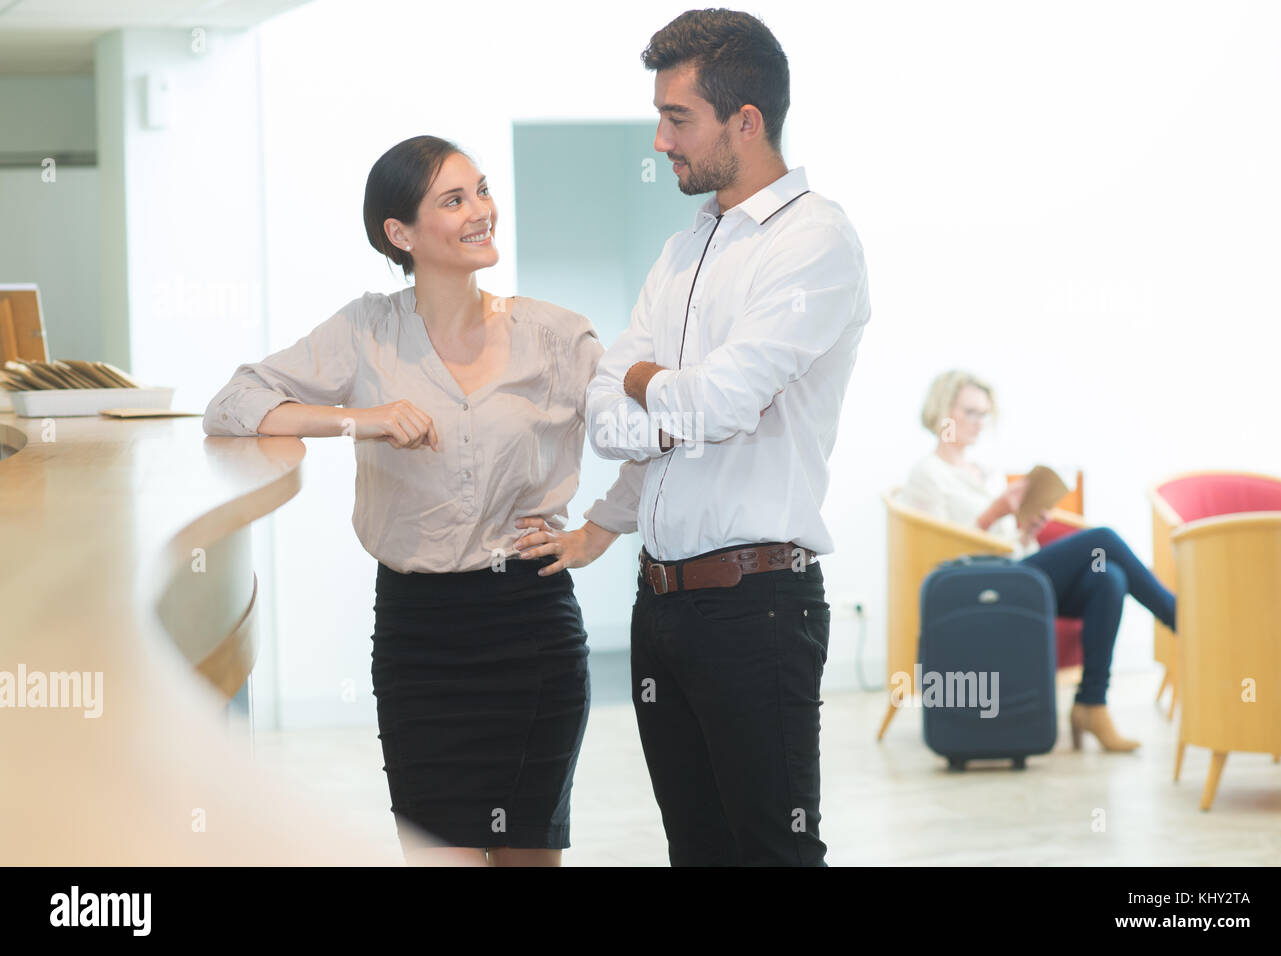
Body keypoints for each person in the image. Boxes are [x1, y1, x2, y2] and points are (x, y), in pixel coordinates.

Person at [203, 135, 647, 866]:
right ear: (400, 234)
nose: (481, 212)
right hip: (420, 641)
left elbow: (647, 436)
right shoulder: (365, 332)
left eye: (481, 191)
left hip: (530, 631)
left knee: (528, 856)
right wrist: (361, 420)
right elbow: (233, 404)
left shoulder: (556, 336)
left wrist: (599, 530)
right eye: (454, 199)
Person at [586, 10, 870, 866]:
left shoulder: (815, 241)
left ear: (745, 120)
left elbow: (721, 401)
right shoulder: (685, 247)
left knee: (772, 854)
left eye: (679, 119)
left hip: (756, 608)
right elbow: (604, 413)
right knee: (697, 854)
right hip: (661, 605)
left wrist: (642, 380)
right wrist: (645, 389)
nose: (662, 139)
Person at [899, 369, 1177, 752]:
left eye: (984, 414)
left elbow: (1008, 545)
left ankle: (1091, 705)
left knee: (1107, 577)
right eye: (971, 412)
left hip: (1015, 573)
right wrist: (993, 512)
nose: (980, 423)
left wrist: (1026, 532)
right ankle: (1175, 615)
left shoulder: (989, 474)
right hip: (976, 585)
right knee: (1103, 539)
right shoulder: (927, 474)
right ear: (943, 410)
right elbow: (939, 551)